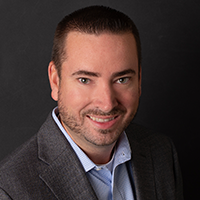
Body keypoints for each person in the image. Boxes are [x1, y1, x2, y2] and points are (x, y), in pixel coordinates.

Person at [0, 5, 183, 200]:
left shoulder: (161, 152)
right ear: (55, 81)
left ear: (139, 80)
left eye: (122, 79)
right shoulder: (10, 191)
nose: (107, 104)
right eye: (85, 80)